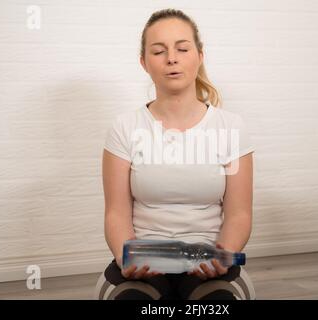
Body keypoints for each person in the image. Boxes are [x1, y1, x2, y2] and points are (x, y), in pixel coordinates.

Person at [101, 8, 255, 300]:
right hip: (145, 259)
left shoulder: (231, 127)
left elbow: (240, 213)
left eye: (182, 49)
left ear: (199, 55)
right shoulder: (124, 127)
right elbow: (116, 212)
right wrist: (126, 258)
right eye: (159, 51)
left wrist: (224, 254)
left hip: (209, 260)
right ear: (144, 62)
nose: (172, 58)